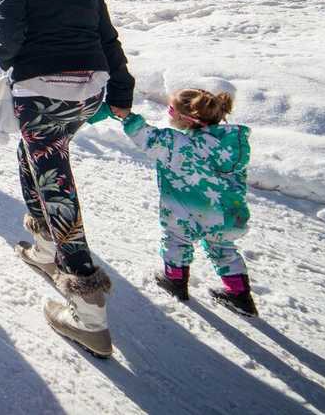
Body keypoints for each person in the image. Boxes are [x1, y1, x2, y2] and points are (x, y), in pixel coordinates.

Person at [0, 0, 134, 358]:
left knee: (55, 178)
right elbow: (104, 27)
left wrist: (6, 58)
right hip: (89, 83)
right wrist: (121, 84)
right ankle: (46, 248)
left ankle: (89, 312)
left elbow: (6, 28)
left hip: (43, 84)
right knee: (35, 153)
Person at [94, 85, 258, 317]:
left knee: (176, 241)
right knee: (223, 248)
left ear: (187, 119)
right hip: (226, 213)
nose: (169, 114)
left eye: (171, 110)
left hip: (186, 213)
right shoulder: (231, 145)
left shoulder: (177, 144)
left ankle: (175, 281)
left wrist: (127, 117)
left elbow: (146, 136)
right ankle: (240, 295)